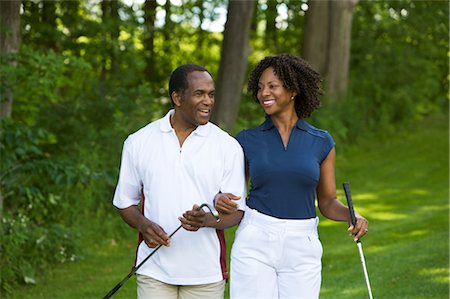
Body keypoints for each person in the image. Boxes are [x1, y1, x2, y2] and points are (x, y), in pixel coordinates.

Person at [214, 54, 369, 299]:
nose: (263, 93)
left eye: (272, 86)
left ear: (293, 90)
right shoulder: (246, 141)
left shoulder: (321, 142)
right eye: (260, 87)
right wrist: (219, 199)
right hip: (255, 240)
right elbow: (233, 197)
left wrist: (352, 214)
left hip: (302, 243)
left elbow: (327, 202)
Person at [112, 63, 246, 299]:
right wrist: (144, 225)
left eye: (211, 94)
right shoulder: (138, 142)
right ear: (177, 97)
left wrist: (208, 221)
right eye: (199, 94)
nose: (208, 101)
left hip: (206, 274)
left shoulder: (228, 147)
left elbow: (237, 213)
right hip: (154, 269)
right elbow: (125, 203)